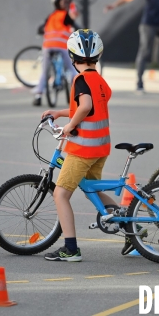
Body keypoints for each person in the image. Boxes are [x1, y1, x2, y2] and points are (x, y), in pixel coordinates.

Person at [40, 29, 118, 261]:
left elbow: (84, 106)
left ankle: (71, 248)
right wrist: (61, 113)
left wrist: (68, 126)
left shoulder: (81, 79)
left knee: (61, 195)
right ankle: (135, 232)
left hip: (83, 149)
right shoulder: (99, 80)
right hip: (100, 147)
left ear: (72, 57)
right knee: (93, 190)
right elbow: (90, 108)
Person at [33, 0, 78, 106]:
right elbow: (74, 24)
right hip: (62, 46)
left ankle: (38, 95)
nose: (67, 4)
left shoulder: (51, 16)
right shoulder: (66, 15)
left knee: (44, 72)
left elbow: (41, 27)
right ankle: (79, 94)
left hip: (48, 46)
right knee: (72, 69)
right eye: (65, 2)